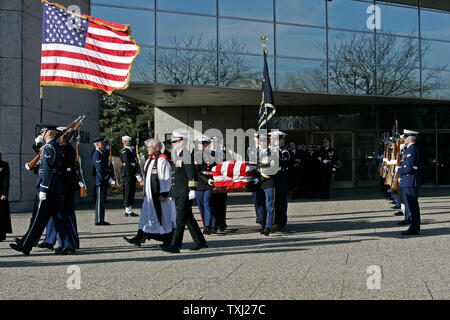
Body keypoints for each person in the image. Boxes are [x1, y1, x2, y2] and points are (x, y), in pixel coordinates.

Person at [10, 124, 70, 255]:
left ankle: (25, 246)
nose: (41, 134)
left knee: (38, 219)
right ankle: (66, 245)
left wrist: (43, 189)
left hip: (48, 188)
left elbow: (47, 170)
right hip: (54, 186)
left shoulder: (49, 147)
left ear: (48, 132)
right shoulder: (52, 146)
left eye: (42, 131)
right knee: (58, 218)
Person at [124, 139, 176, 248]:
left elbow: (166, 178)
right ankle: (140, 237)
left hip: (159, 196)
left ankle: (167, 240)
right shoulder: (149, 160)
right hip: (149, 196)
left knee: (162, 218)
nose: (147, 149)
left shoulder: (162, 160)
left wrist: (164, 193)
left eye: (149, 147)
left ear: (157, 148)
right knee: (146, 216)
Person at [162, 132, 207, 253]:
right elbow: (176, 176)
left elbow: (191, 173)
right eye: (173, 142)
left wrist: (192, 190)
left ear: (182, 142)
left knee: (180, 219)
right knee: (188, 218)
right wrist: (173, 192)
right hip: (179, 192)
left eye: (175, 141)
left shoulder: (186, 154)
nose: (173, 144)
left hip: (185, 193)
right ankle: (200, 241)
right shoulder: (179, 155)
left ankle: (175, 245)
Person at [37, 128, 80, 254]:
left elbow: (64, 169)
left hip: (65, 186)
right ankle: (54, 241)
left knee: (66, 215)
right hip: (60, 185)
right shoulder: (58, 148)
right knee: (57, 215)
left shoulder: (66, 149)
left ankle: (69, 243)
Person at [254, 132, 278, 236]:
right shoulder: (256, 152)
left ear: (268, 142)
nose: (262, 142)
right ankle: (263, 225)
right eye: (261, 140)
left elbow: (273, 168)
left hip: (268, 181)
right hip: (258, 183)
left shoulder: (273, 152)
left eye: (265, 141)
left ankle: (268, 226)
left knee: (269, 204)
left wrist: (260, 178)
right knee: (260, 205)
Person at [397, 129, 421, 235]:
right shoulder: (409, 149)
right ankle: (414, 226)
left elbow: (408, 168)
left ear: (411, 137)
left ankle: (414, 227)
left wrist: (399, 170)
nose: (404, 139)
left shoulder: (412, 149)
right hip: (408, 180)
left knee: (413, 206)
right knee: (411, 206)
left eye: (405, 137)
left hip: (410, 180)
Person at [193, 135, 216, 234]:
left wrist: (213, 179)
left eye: (204, 143)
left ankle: (208, 226)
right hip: (199, 183)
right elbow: (196, 171)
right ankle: (205, 224)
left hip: (209, 183)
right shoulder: (195, 155)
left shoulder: (212, 155)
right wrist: (207, 180)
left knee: (207, 204)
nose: (202, 145)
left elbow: (215, 168)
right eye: (200, 143)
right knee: (201, 206)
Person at [270, 131, 290, 232]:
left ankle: (280, 221)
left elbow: (283, 159)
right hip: (272, 178)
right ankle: (271, 221)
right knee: (271, 201)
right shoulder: (269, 150)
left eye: (277, 139)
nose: (274, 141)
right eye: (273, 139)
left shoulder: (284, 151)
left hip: (281, 178)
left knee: (281, 201)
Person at [210, 136, 227, 232]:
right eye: (211, 142)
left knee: (222, 203)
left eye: (214, 142)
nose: (213, 143)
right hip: (213, 180)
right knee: (213, 203)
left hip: (223, 180)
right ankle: (214, 224)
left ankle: (222, 223)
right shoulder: (207, 153)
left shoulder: (223, 153)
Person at [92, 137, 111, 226]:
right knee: (100, 201)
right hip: (100, 179)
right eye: (101, 143)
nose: (103, 144)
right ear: (96, 144)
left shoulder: (102, 153)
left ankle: (102, 218)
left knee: (102, 201)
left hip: (103, 179)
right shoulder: (96, 153)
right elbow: (99, 168)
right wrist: (105, 176)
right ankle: (99, 219)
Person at [120, 135, 140, 217]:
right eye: (129, 141)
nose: (130, 142)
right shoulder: (125, 151)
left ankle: (129, 209)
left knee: (131, 191)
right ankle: (128, 210)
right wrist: (135, 173)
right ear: (124, 142)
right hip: (128, 173)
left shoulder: (130, 150)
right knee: (128, 191)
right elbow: (128, 164)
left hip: (130, 172)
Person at [0, 148, 12, 242]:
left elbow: (6, 180)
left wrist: (4, 193)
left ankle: (1, 234)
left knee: (1, 215)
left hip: (0, 194)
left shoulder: (4, 165)